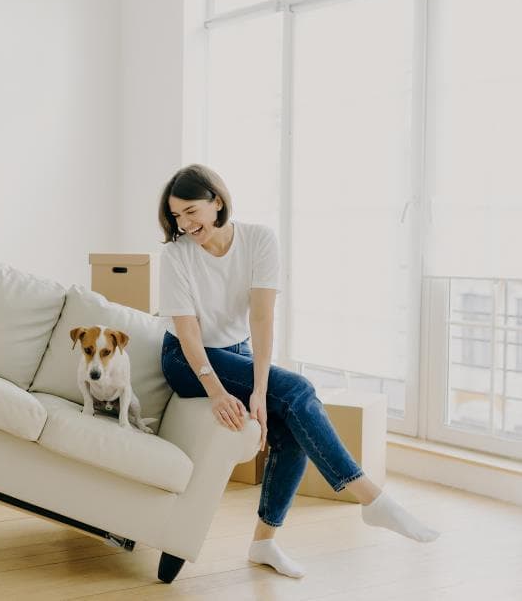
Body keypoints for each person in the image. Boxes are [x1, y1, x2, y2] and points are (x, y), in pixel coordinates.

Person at [157, 164, 438, 579]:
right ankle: (371, 499)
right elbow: (187, 333)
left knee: (289, 424)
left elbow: (263, 319)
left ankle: (264, 542)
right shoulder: (175, 255)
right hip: (185, 358)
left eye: (191, 212)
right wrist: (217, 392)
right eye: (176, 216)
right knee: (299, 390)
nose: (185, 224)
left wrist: (259, 387)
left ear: (217, 201)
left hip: (237, 351)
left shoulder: (258, 240)